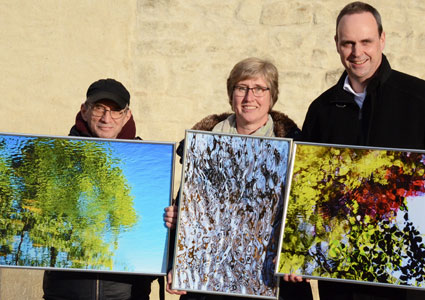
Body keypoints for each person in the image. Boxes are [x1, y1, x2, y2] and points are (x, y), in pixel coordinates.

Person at [302, 2, 425, 299]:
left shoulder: (419, 99)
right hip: (341, 277)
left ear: (382, 39)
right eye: (348, 43)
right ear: (336, 44)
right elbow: (306, 190)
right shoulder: (321, 110)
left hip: (406, 277)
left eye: (366, 41)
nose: (357, 53)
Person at [164, 57, 311, 300]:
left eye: (259, 89)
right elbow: (185, 213)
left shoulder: (297, 149)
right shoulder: (202, 144)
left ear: (272, 96)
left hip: (272, 281)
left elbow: (306, 214)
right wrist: (177, 263)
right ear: (231, 94)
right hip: (208, 281)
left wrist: (298, 253)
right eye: (241, 88)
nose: (249, 97)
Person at [43, 78, 159, 300]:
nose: (107, 118)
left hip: (127, 293)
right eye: (99, 109)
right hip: (65, 292)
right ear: (85, 111)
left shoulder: (147, 165)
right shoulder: (56, 159)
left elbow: (150, 234)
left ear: (127, 116)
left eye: (116, 111)